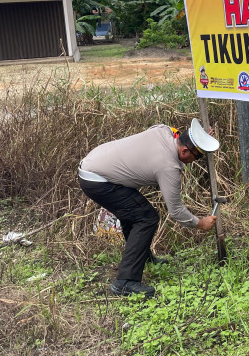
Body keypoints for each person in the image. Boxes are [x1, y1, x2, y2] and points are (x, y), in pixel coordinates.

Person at [78, 119, 220, 298]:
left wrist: (201, 138)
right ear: (184, 151)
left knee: (136, 213)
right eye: (197, 156)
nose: (196, 160)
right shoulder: (168, 167)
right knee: (146, 218)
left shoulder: (164, 131)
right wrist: (201, 223)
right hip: (96, 180)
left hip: (95, 162)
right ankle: (125, 282)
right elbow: (175, 210)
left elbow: (174, 131)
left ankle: (142, 256)